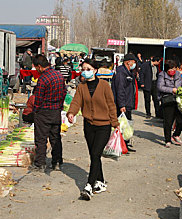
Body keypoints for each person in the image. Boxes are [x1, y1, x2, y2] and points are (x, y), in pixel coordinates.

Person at [67, 59, 119, 200]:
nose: (85, 71)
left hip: (104, 125)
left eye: (89, 69)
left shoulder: (104, 86)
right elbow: (76, 101)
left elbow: (111, 104)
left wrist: (115, 122)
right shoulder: (81, 87)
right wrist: (71, 113)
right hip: (89, 125)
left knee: (96, 153)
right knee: (93, 154)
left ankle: (89, 185)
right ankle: (101, 182)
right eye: (84, 68)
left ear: (95, 70)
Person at [31, 54, 67, 172]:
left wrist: (35, 111)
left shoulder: (43, 79)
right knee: (55, 137)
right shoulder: (59, 75)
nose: (37, 70)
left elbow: (39, 98)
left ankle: (40, 163)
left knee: (41, 138)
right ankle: (57, 162)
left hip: (44, 112)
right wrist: (60, 105)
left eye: (36, 68)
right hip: (56, 111)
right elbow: (64, 92)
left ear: (40, 67)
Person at [157, 59, 182, 147]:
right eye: (170, 69)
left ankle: (176, 134)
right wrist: (172, 90)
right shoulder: (162, 75)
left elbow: (181, 82)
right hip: (168, 100)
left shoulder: (177, 74)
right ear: (166, 69)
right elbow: (160, 87)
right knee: (168, 121)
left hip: (178, 100)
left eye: (174, 68)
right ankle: (168, 140)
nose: (172, 71)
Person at [112, 53, 137, 152]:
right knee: (122, 124)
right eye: (133, 62)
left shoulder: (128, 72)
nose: (134, 64)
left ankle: (125, 144)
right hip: (123, 104)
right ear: (128, 62)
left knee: (126, 125)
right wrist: (122, 104)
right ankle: (120, 145)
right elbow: (120, 89)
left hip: (128, 102)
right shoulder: (121, 72)